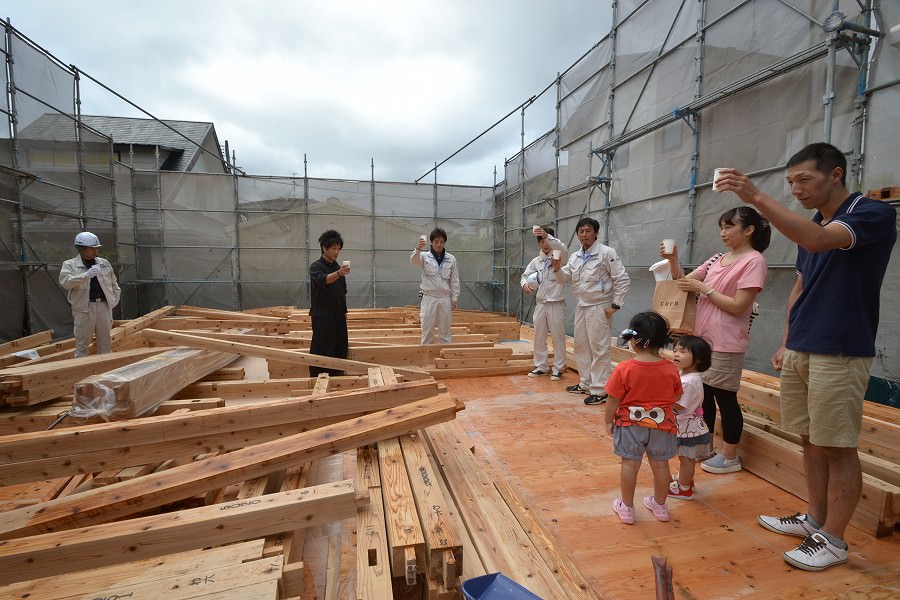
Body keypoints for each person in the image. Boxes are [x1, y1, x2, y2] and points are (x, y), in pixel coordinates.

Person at [716, 142, 896, 571]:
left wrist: (755, 196)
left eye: (804, 180)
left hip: (841, 347)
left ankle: (833, 540)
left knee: (837, 444)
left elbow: (817, 242)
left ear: (835, 174)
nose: (796, 189)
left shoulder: (870, 215)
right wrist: (784, 340)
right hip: (803, 346)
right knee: (809, 438)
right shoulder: (812, 221)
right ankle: (815, 519)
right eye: (790, 182)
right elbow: (800, 286)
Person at [661, 206, 770, 474]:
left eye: (729, 226)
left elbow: (738, 305)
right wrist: (674, 260)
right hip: (702, 339)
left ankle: (730, 455)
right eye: (721, 227)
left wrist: (704, 289)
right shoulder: (717, 259)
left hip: (726, 341)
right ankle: (704, 446)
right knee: (703, 396)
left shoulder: (754, 261)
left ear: (749, 230)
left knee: (725, 398)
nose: (723, 232)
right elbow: (683, 282)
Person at [605, 312, 681, 524]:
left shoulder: (624, 369)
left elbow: (612, 399)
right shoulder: (671, 369)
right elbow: (676, 395)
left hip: (630, 424)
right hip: (663, 424)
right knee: (660, 465)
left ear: (634, 341)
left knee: (629, 464)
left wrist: (607, 420)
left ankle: (627, 508)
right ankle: (660, 506)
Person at [555, 217, 630, 405]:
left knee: (599, 349)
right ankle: (585, 383)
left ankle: (601, 389)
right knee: (581, 346)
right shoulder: (575, 256)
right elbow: (565, 278)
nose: (584, 235)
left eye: (588, 231)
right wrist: (557, 269)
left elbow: (622, 279)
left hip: (599, 307)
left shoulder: (606, 253)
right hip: (582, 305)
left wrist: (615, 305)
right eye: (581, 231)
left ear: (596, 233)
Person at [59, 232, 121, 358]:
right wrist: (85, 275)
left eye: (96, 248)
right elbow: (65, 282)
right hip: (84, 309)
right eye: (92, 248)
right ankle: (83, 372)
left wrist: (113, 301)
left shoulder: (104, 263)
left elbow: (114, 284)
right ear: (81, 248)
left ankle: (105, 371)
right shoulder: (70, 265)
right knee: (82, 344)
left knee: (105, 343)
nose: (95, 251)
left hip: (104, 306)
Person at [668, 335, 714, 500]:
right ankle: (686, 481)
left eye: (683, 351)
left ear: (698, 358)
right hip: (687, 426)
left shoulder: (689, 382)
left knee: (686, 459)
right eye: (675, 350)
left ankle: (684, 488)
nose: (676, 354)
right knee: (686, 458)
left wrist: (662, 398)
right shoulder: (686, 376)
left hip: (687, 428)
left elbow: (680, 406)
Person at [521, 226, 568, 380]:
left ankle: (558, 368)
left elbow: (561, 248)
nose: (545, 244)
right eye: (541, 241)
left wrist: (548, 236)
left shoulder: (560, 256)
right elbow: (524, 276)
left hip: (556, 302)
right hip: (541, 303)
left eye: (547, 240)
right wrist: (524, 285)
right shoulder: (537, 261)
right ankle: (541, 366)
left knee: (557, 336)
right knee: (539, 336)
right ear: (539, 243)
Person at [308, 229, 350, 377]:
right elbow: (323, 280)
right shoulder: (316, 267)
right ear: (324, 248)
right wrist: (339, 273)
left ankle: (337, 375)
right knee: (322, 346)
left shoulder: (338, 267)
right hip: (323, 315)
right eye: (333, 248)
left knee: (340, 345)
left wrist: (344, 311)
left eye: (339, 249)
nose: (336, 252)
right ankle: (317, 377)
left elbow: (342, 292)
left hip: (338, 314)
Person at [411, 228, 460, 345]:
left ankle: (445, 358)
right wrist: (418, 249)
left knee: (445, 330)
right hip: (429, 297)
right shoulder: (424, 256)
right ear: (431, 242)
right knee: (427, 329)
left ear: (445, 243)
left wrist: (455, 298)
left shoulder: (451, 259)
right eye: (436, 241)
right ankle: (427, 359)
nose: (439, 244)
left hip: (444, 298)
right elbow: (414, 261)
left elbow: (455, 279)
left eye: (442, 242)